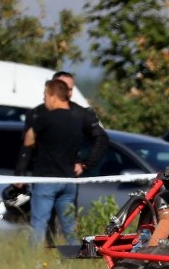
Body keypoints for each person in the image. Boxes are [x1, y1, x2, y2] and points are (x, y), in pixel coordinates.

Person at [17, 78, 108, 247]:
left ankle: (33, 262)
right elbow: (98, 138)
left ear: (53, 96)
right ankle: (74, 260)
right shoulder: (78, 119)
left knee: (39, 223)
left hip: (46, 179)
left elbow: (28, 141)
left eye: (45, 95)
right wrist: (85, 163)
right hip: (68, 181)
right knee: (69, 228)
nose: (44, 99)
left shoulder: (45, 117)